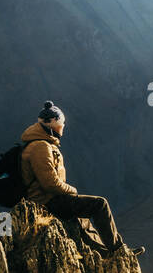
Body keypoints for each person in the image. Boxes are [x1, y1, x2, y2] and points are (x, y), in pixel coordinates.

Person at [19, 100, 144, 257]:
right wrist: (71, 190)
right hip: (47, 201)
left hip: (48, 200)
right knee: (99, 205)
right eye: (61, 123)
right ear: (52, 124)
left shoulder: (40, 144)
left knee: (81, 218)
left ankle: (107, 253)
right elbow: (49, 183)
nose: (63, 126)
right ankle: (118, 249)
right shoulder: (40, 147)